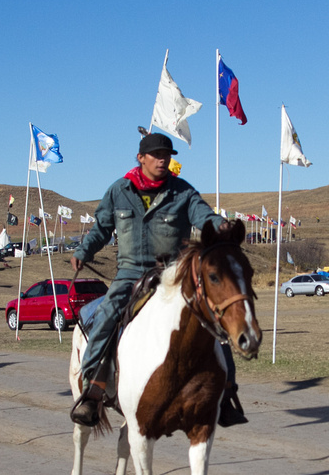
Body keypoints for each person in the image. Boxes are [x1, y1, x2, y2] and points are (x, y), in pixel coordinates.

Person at [69, 132, 247, 428]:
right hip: (130, 273)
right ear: (141, 158)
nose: (163, 160)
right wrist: (83, 250)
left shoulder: (183, 192)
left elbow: (203, 216)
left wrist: (220, 224)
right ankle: (92, 390)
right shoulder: (118, 191)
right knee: (108, 315)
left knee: (213, 321)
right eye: (157, 155)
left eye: (167, 155)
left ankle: (226, 394)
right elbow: (101, 227)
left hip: (172, 275)